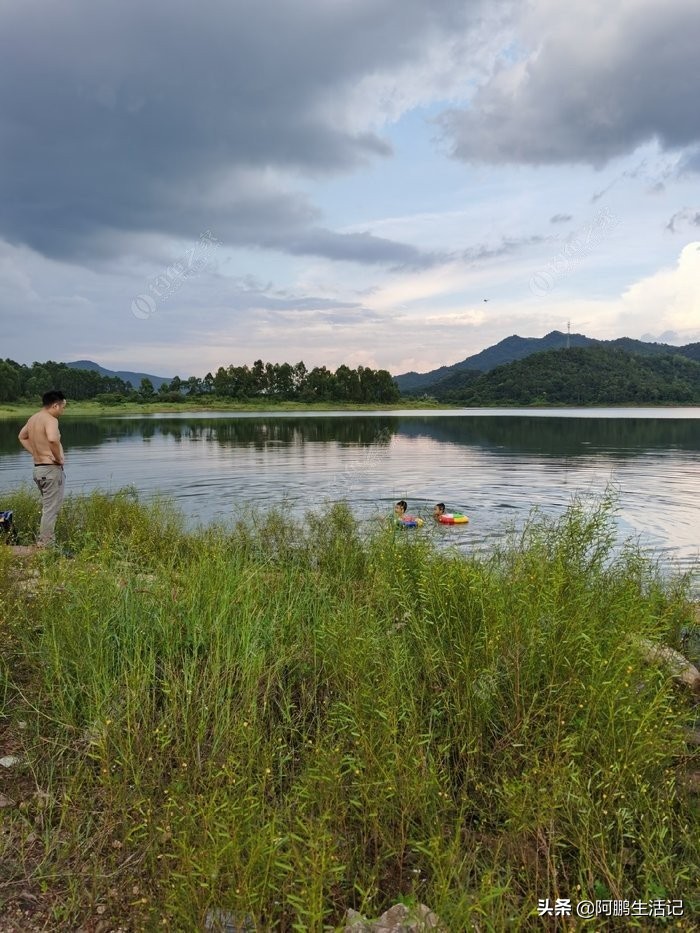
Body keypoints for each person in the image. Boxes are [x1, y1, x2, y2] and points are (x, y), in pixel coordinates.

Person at [18, 390, 67, 547]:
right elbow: (53, 439)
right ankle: (46, 545)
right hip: (51, 470)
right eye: (63, 407)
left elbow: (21, 436)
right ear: (55, 405)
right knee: (51, 510)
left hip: (39, 469)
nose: (63, 411)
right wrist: (58, 458)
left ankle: (45, 542)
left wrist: (36, 452)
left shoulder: (33, 418)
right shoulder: (50, 419)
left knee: (48, 508)